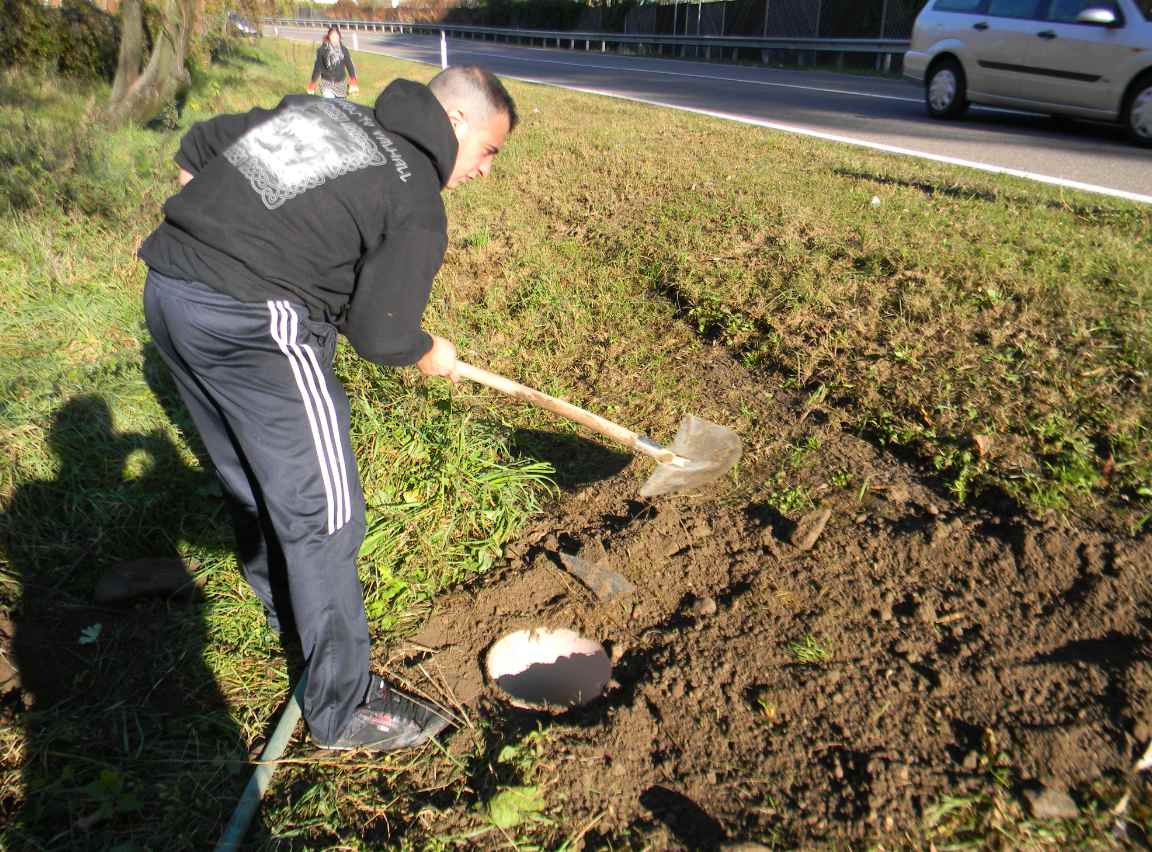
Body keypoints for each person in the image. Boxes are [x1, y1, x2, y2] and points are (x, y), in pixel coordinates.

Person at [137, 66, 517, 752]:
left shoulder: (324, 113)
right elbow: (380, 334)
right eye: (491, 151)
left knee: (249, 472)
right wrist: (426, 349)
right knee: (329, 512)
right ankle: (343, 708)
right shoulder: (416, 199)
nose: (487, 172)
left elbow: (199, 146)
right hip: (259, 326)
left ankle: (283, 599)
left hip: (170, 291)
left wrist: (232, 233)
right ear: (454, 123)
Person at [307, 26, 358, 99]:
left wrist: (353, 79)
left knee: (340, 107)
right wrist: (313, 83)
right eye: (333, 37)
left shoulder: (344, 50)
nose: (335, 40)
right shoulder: (322, 50)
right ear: (328, 37)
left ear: (339, 38)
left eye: (336, 37)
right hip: (326, 83)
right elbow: (317, 67)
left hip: (341, 84)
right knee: (330, 104)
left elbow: (350, 65)